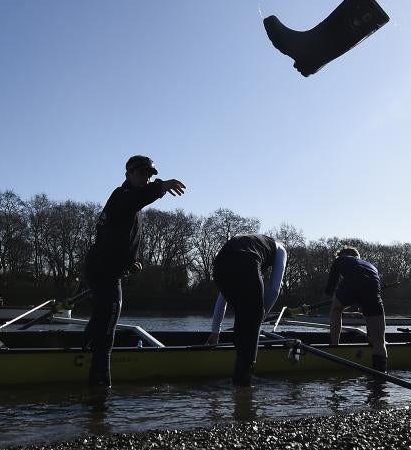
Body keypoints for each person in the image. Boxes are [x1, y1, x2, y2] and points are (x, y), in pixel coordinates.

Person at [83, 155, 185, 387]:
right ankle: (99, 393)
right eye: (141, 173)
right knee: (107, 328)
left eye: (150, 175)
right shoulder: (123, 196)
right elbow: (135, 201)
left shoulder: (131, 203)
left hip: (103, 269)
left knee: (100, 318)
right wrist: (161, 186)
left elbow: (117, 238)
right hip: (104, 272)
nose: (146, 178)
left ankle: (79, 354)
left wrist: (132, 262)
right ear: (128, 174)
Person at [205, 234, 287, 386]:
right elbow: (275, 289)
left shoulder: (249, 243)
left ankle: (238, 371)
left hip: (219, 267)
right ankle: (243, 383)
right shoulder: (281, 249)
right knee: (250, 324)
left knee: (243, 320)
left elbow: (222, 299)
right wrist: (260, 317)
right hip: (247, 265)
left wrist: (215, 332)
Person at [324, 246, 387, 372]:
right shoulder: (370, 265)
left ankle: (334, 346)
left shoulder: (340, 259)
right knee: (380, 341)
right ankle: (380, 377)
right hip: (373, 287)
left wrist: (332, 297)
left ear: (343, 255)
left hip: (352, 284)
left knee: (336, 310)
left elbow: (331, 285)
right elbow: (370, 287)